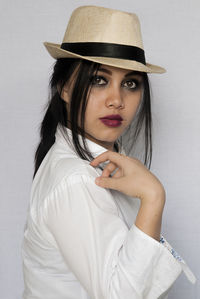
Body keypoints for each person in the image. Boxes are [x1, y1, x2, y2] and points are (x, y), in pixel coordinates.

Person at [21, 5, 196, 299]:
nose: (117, 100)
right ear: (64, 86)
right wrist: (153, 196)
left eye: (130, 83)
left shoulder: (97, 166)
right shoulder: (77, 180)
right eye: (98, 80)